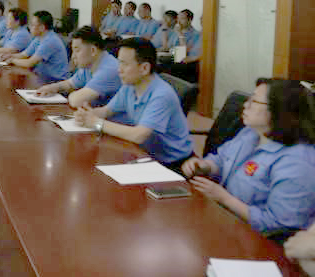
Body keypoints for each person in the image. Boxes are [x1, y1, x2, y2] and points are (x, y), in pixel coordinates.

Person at [182, 79, 315, 237]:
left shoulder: (297, 163)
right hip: (226, 220)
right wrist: (206, 165)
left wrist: (224, 198)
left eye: (254, 101)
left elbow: (279, 227)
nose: (245, 105)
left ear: (279, 110)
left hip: (262, 240)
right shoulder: (251, 132)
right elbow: (222, 159)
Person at [75, 38, 194, 170]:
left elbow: (138, 135)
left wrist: (96, 123)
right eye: (119, 63)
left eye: (124, 64)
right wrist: (88, 114)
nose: (119, 70)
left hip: (173, 164)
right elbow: (106, 111)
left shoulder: (162, 95)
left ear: (144, 68)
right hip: (145, 153)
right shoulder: (130, 86)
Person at [36, 26, 121, 108]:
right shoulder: (89, 65)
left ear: (93, 50)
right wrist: (52, 87)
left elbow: (77, 101)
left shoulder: (109, 70)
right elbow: (70, 84)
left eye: (77, 50)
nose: (73, 56)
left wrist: (73, 94)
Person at [8, 11, 69, 84]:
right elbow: (24, 54)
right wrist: (9, 56)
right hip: (42, 77)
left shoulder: (50, 41)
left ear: (42, 27)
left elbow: (29, 63)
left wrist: (12, 60)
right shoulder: (39, 38)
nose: (29, 27)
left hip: (54, 81)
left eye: (32, 25)